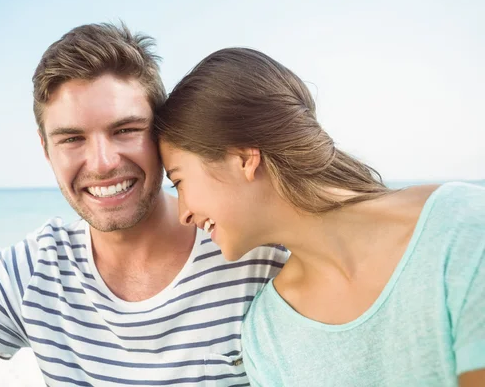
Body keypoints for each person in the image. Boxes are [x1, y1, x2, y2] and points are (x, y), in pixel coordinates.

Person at [0, 24, 287, 386]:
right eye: (72, 139)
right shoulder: (31, 273)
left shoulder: (256, 255)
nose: (102, 163)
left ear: (162, 134)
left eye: (125, 130)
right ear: (46, 150)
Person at [155, 47, 485, 386]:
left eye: (179, 181)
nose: (183, 213)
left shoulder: (462, 227)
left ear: (243, 158)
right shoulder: (267, 333)